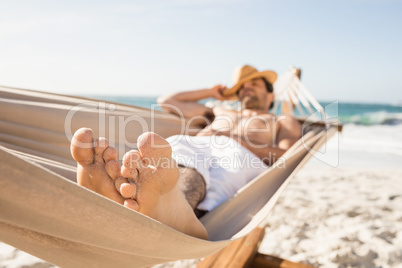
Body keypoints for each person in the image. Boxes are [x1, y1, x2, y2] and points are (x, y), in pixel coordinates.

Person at [70, 65, 302, 240]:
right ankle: (146, 198)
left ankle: (164, 204)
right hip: (198, 146)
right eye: (241, 87)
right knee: (176, 151)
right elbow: (168, 101)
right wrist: (211, 92)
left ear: (271, 96)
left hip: (242, 157)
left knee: (213, 176)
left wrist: (231, 138)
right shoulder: (219, 109)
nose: (246, 88)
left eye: (254, 85)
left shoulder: (282, 120)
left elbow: (285, 155)